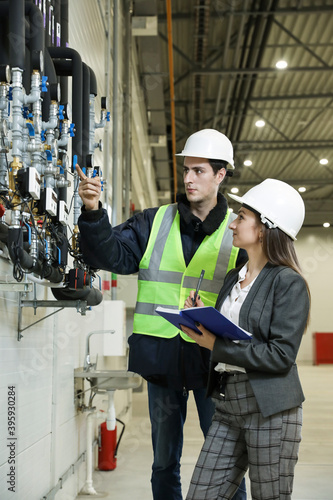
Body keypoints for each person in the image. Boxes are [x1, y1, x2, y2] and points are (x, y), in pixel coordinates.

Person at [76, 128, 247, 500]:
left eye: (199, 170)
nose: (188, 178)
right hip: (162, 358)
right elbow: (111, 256)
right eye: (185, 170)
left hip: (213, 363)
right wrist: (93, 213)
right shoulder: (154, 221)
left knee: (225, 460)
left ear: (221, 175)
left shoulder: (240, 229)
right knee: (163, 462)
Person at [181, 178, 311, 500]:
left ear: (264, 228)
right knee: (202, 494)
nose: (232, 225)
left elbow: (280, 355)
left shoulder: (288, 282)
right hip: (228, 404)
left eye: (241, 217)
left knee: (269, 496)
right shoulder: (233, 278)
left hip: (271, 408)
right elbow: (237, 328)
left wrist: (215, 344)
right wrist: (204, 315)